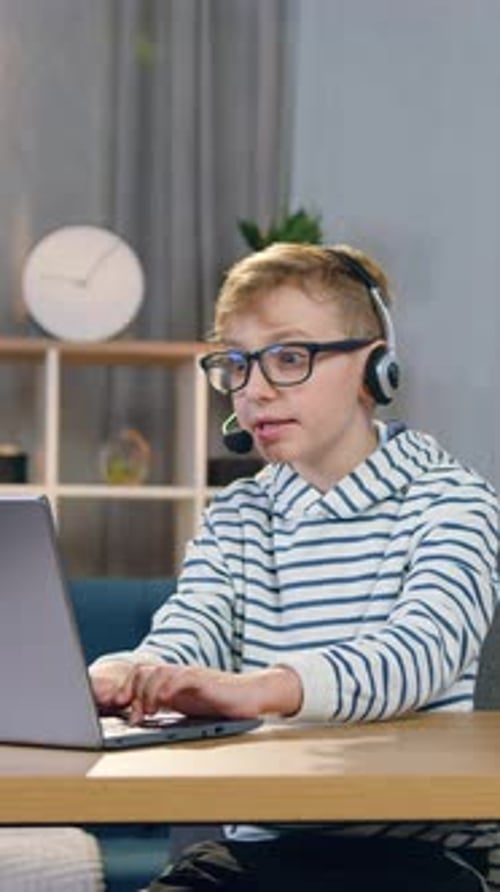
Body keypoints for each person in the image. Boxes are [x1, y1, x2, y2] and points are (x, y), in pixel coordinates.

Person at [90, 243, 499, 891]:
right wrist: (133, 673)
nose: (254, 390)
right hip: (261, 856)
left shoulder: (453, 501)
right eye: (236, 363)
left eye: (289, 357)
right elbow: (191, 627)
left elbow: (421, 654)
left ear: (376, 369)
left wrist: (259, 688)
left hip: (424, 861)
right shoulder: (238, 513)